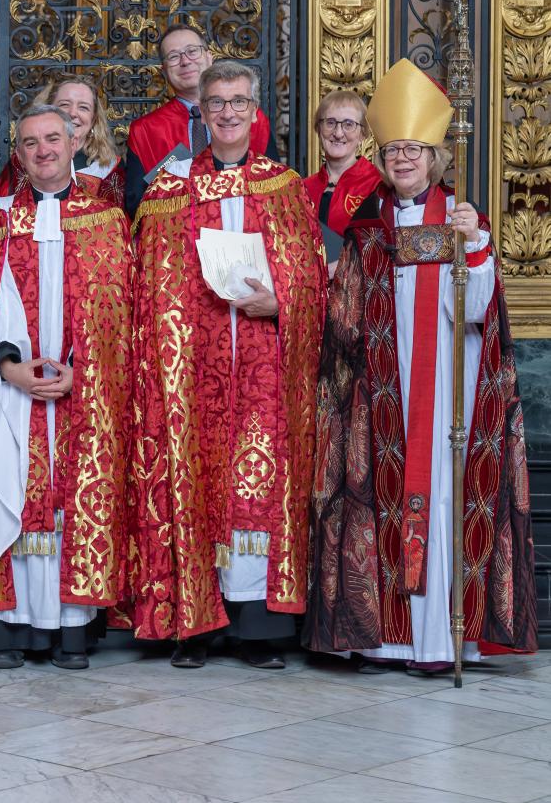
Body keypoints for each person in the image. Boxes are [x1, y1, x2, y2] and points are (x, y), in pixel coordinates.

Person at [307, 59, 538, 673]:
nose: (404, 158)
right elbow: (346, 320)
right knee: (382, 498)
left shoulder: (464, 219)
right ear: (381, 159)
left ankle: (440, 639)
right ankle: (388, 639)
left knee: (444, 498)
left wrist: (476, 250)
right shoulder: (369, 229)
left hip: (448, 390)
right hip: (386, 391)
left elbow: (480, 315)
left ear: (435, 156)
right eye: (394, 149)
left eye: (415, 148)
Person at [130, 61, 325, 669]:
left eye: (239, 102)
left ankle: (256, 631)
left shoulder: (283, 186)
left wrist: (283, 300)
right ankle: (195, 626)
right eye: (217, 103)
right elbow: (147, 284)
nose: (229, 113)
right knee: (194, 481)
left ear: (255, 110)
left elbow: (314, 277)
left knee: (257, 490)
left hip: (265, 365)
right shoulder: (170, 189)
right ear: (202, 112)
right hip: (191, 364)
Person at [0, 105, 134, 670]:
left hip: (81, 390)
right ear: (18, 155)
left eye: (53, 139)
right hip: (10, 392)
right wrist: (7, 367)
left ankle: (71, 631)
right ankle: (7, 629)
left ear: (75, 142)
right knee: (7, 480)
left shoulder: (106, 220)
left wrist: (85, 371)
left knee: (76, 498)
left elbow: (116, 316)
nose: (43, 150)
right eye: (30, 143)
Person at [122, 25, 275, 215]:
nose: (185, 61)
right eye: (174, 56)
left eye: (192, 51)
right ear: (164, 70)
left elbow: (273, 185)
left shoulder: (253, 118)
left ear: (209, 57)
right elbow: (135, 204)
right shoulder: (145, 131)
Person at [0, 76, 126, 206]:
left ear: (94, 119)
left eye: (83, 107)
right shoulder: (24, 161)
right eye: (64, 105)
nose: (73, 113)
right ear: (48, 109)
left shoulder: (109, 168)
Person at [301, 89, 381, 238]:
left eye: (348, 124)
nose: (338, 133)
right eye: (330, 123)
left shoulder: (377, 185)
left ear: (362, 134)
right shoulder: (302, 189)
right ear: (319, 129)